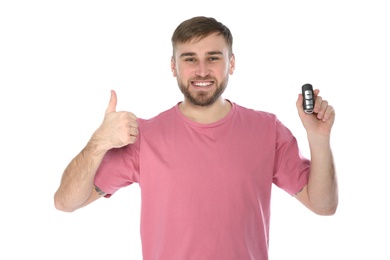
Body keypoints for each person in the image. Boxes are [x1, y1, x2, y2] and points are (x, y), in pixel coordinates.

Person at [54, 16, 338, 260]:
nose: (202, 71)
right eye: (190, 59)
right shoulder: (144, 136)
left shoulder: (267, 130)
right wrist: (98, 142)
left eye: (213, 58)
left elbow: (324, 205)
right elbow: (66, 202)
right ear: (173, 66)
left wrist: (318, 137)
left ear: (232, 63)